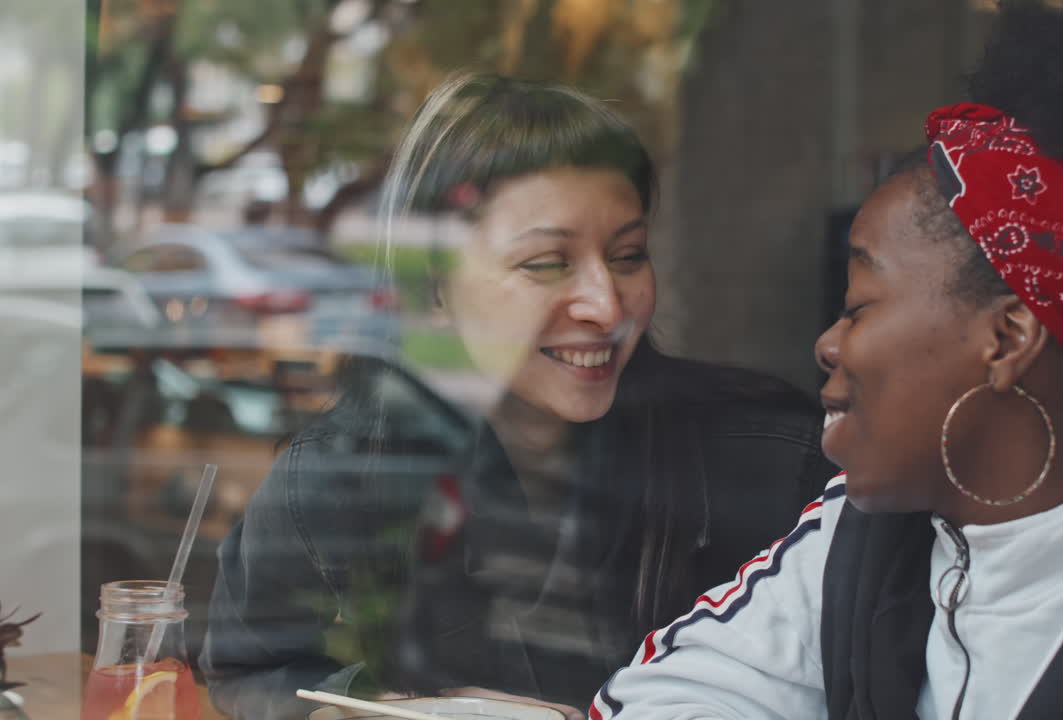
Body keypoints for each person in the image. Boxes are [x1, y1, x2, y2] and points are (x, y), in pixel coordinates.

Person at [590, 6, 1063, 719]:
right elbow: (665, 697)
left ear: (1009, 339)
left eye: (859, 305)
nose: (828, 343)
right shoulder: (865, 530)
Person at [198, 73, 836, 719]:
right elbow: (249, 665)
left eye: (627, 255)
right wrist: (364, 707)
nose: (606, 304)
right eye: (546, 264)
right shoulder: (345, 472)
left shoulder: (775, 462)